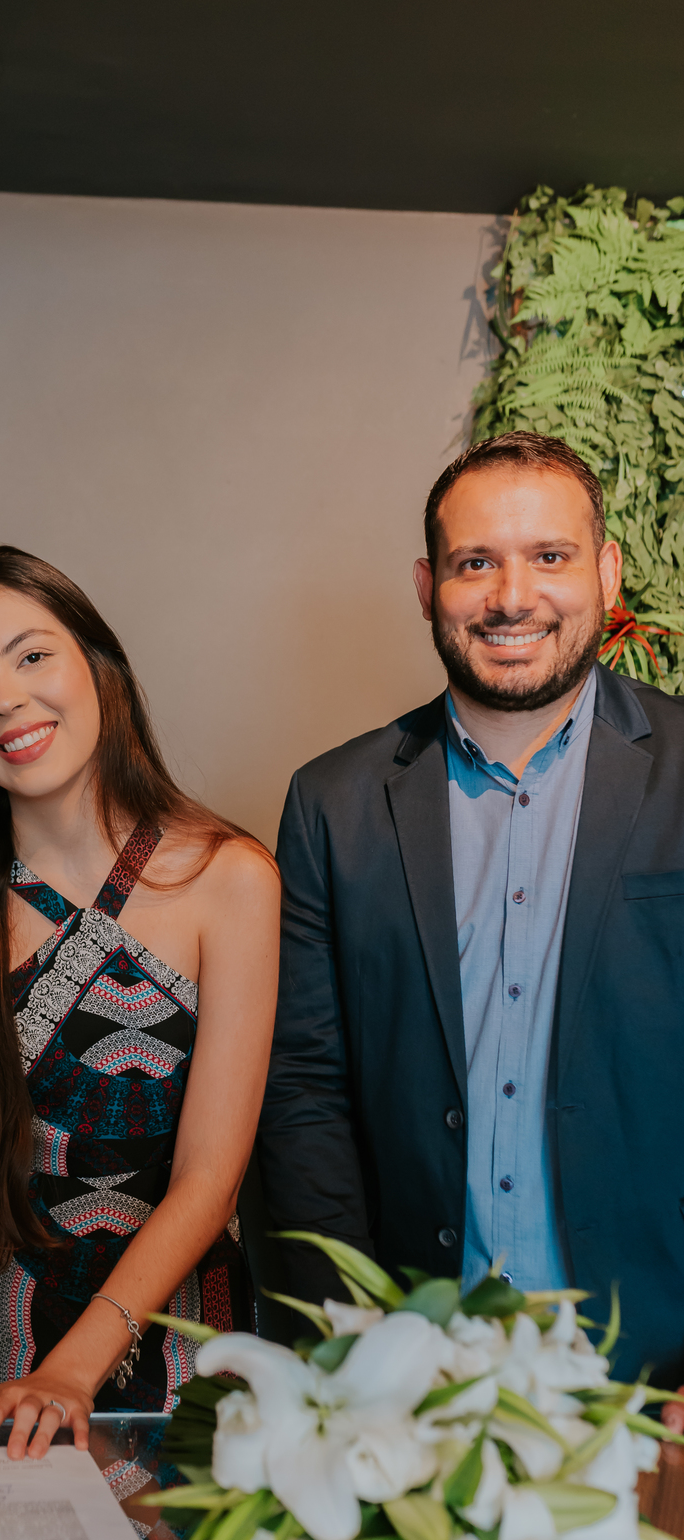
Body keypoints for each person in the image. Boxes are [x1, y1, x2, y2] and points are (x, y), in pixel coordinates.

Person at [259, 429, 684, 1383]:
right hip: (414, 1375)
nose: (512, 597)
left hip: (656, 1377)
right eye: (476, 563)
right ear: (427, 587)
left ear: (608, 573)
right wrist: (354, 1345)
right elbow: (304, 1092)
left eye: (550, 557)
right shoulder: (332, 805)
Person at [0, 545, 277, 1469]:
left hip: (180, 1386)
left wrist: (72, 1373)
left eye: (31, 656)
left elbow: (209, 1179)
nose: (5, 701)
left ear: (98, 666)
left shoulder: (228, 879)